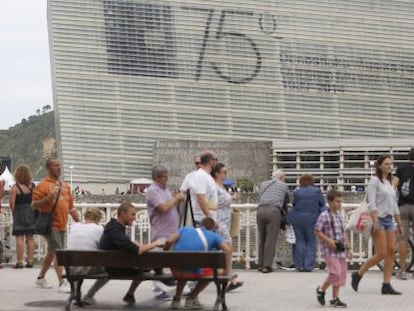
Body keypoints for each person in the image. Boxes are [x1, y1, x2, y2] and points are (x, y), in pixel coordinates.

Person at [351, 154, 403, 295]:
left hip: (389, 219)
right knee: (381, 253)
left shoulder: (389, 182)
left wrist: (399, 223)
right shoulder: (374, 181)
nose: (389, 166)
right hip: (378, 219)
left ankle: (386, 284)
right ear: (379, 166)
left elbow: (394, 205)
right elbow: (372, 202)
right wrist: (375, 220)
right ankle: (359, 273)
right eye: (386, 164)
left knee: (391, 250)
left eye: (390, 164)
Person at [100, 201, 163, 305]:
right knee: (144, 268)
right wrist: (155, 244)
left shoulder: (112, 226)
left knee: (145, 267)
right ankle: (164, 283)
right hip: (115, 268)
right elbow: (136, 250)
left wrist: (135, 244)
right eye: (132, 214)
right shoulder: (115, 230)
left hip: (112, 265)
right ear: (123, 214)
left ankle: (130, 295)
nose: (134, 218)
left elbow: (124, 244)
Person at [32, 158, 79, 292]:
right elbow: (34, 204)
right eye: (55, 165)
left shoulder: (64, 185)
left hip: (62, 224)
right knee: (59, 252)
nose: (58, 167)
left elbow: (71, 207)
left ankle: (40, 278)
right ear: (49, 168)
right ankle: (62, 282)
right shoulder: (43, 185)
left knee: (52, 251)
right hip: (51, 223)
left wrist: (80, 222)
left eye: (59, 165)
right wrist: (48, 198)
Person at [164, 217, 231, 310]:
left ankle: (176, 299)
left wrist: (165, 252)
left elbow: (169, 241)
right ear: (212, 228)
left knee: (184, 265)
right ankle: (191, 298)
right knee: (212, 272)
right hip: (192, 272)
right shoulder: (214, 236)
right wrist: (226, 271)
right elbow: (228, 250)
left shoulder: (184, 229)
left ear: (199, 225)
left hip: (176, 270)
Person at [145, 164, 185, 300]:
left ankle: (162, 289)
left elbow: (171, 206)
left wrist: (176, 200)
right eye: (165, 176)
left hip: (171, 231)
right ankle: (159, 291)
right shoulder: (152, 191)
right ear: (157, 177)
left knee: (166, 261)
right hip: (161, 231)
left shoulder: (165, 190)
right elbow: (162, 208)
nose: (167, 179)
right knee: (158, 262)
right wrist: (177, 199)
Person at [315, 190, 351, 308]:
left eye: (341, 202)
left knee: (340, 274)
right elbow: (317, 231)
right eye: (337, 201)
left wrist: (349, 247)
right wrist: (329, 241)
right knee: (335, 272)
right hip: (329, 250)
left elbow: (343, 232)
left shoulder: (339, 217)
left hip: (339, 250)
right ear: (329, 202)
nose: (339, 204)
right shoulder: (324, 216)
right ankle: (321, 290)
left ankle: (335, 298)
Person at [211, 162, 243, 291]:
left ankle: (227, 277)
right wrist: (231, 198)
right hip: (219, 221)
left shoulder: (221, 186)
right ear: (217, 173)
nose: (226, 174)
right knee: (227, 248)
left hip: (225, 220)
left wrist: (231, 197)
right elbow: (215, 202)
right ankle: (228, 278)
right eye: (223, 172)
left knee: (226, 249)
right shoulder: (213, 186)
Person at [67, 207, 108, 305]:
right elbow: (101, 247)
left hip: (71, 268)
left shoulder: (74, 226)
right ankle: (89, 295)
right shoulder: (99, 228)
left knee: (80, 263)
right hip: (88, 268)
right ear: (98, 218)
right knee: (109, 271)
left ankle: (76, 293)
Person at [286, 174, 326, 271]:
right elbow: (322, 204)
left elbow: (294, 204)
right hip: (312, 219)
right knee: (311, 242)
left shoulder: (297, 192)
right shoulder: (316, 191)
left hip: (297, 219)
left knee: (300, 241)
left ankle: (299, 265)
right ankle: (308, 265)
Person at [256, 169, 290, 273]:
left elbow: (260, 196)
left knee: (262, 238)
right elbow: (288, 199)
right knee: (270, 239)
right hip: (274, 211)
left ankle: (260, 264)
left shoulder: (263, 184)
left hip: (260, 211)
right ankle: (267, 266)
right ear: (281, 178)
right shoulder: (284, 186)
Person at [9, 164, 36, 268]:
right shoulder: (32, 186)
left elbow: (12, 203)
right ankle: (30, 261)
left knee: (19, 237)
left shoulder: (15, 188)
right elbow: (35, 201)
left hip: (19, 213)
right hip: (30, 213)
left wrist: (14, 212)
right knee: (30, 237)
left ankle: (20, 262)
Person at [394, 147, 414, 280]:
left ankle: (403, 271)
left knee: (402, 240)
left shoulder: (401, 168)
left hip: (403, 207)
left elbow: (393, 187)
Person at [185, 151, 218, 224]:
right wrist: (209, 218)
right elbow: (200, 197)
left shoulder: (207, 175)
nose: (216, 162)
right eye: (216, 159)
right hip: (201, 220)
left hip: (205, 219)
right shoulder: (201, 175)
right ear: (211, 161)